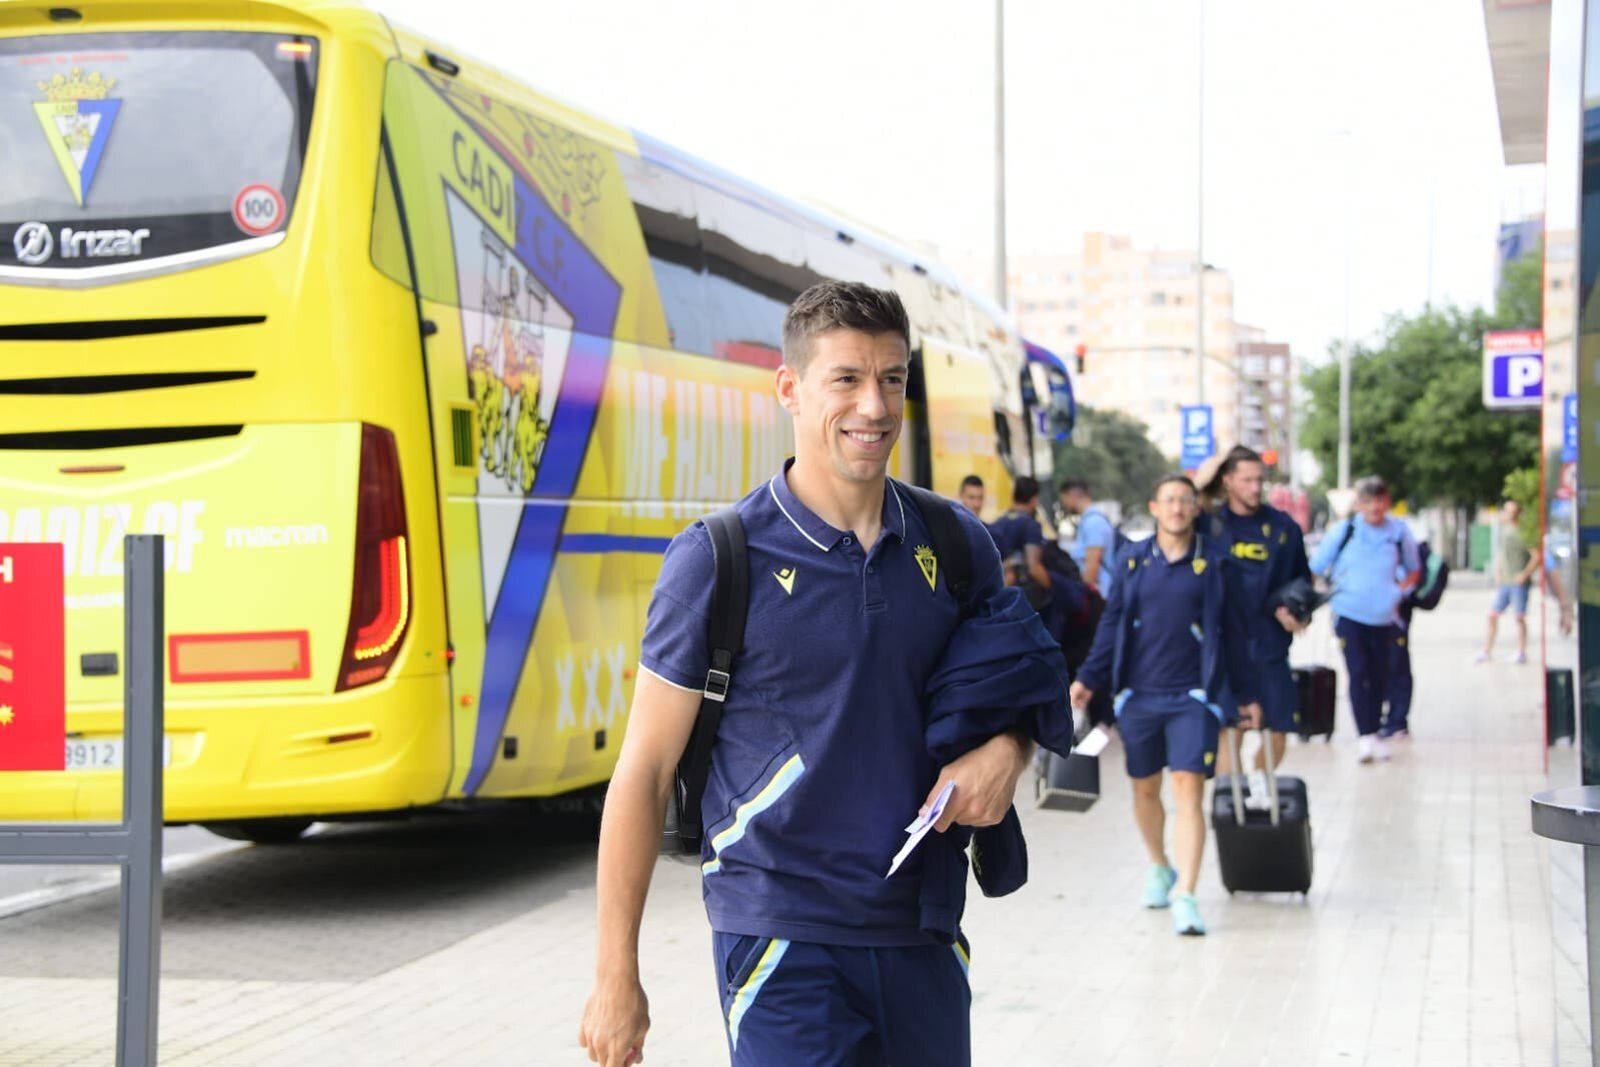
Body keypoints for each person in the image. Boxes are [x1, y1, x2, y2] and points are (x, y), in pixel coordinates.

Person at [578, 281, 1066, 1067]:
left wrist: (1009, 751)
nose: (874, 406)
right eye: (846, 378)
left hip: (923, 928)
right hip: (780, 932)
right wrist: (614, 974)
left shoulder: (957, 542)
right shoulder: (716, 559)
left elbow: (1014, 688)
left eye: (891, 379)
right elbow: (642, 768)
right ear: (790, 389)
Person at [1070, 473, 1261, 937]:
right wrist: (1088, 680)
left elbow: (1236, 636)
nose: (1177, 508)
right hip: (1138, 697)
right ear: (1154, 508)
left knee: (1188, 789)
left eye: (1185, 501)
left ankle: (1188, 895)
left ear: (1196, 509)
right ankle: (1159, 865)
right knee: (1143, 790)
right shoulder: (1134, 562)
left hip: (1194, 698)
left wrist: (1248, 695)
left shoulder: (1216, 566)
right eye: (1169, 500)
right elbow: (1112, 625)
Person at [1202, 446, 1310, 791]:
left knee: (1278, 730)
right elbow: (1185, 495)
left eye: (1259, 480)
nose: (1254, 488)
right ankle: (1229, 807)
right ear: (1228, 481)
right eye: (1246, 480)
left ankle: (1259, 786)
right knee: (1228, 732)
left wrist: (1299, 614)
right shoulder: (1209, 526)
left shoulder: (1284, 529)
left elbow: (1302, 583)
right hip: (1223, 649)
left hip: (1269, 647)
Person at [1309, 475, 1420, 764]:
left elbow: (1414, 569)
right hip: (1349, 614)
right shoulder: (1345, 530)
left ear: (1387, 502)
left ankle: (1377, 731)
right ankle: (1365, 736)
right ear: (1358, 504)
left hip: (1385, 618)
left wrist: (1399, 592)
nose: (1374, 507)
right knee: (1358, 673)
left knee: (1382, 675)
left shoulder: (1398, 532)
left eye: (1379, 500)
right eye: (1368, 501)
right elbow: (1317, 566)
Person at [1478, 500, 1538, 664]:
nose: (1508, 514)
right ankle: (1486, 651)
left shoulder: (1524, 533)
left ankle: (1521, 651)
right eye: (1506, 511)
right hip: (1505, 581)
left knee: (1519, 617)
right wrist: (1498, 571)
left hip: (1518, 583)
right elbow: (1502, 553)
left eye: (1511, 511)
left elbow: (1536, 556)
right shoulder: (1504, 531)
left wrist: (1525, 574)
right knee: (1492, 615)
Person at [989, 476, 1051, 593]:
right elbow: (1034, 568)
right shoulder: (1031, 525)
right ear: (1034, 499)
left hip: (995, 590)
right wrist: (1054, 589)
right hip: (1018, 593)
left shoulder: (998, 522)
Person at [1059, 478, 1117, 598]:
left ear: (1073, 495)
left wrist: (1081, 598)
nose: (1064, 505)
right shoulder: (1089, 521)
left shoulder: (1093, 523)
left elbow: (1091, 570)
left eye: (1064, 500)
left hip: (1100, 598)